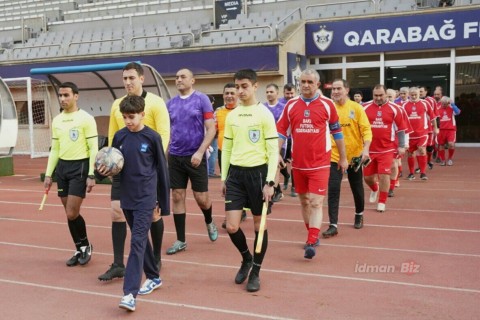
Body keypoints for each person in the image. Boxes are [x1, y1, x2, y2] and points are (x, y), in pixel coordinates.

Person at [98, 62, 170, 281]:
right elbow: (113, 138)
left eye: (131, 78)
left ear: (142, 78)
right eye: (124, 78)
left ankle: (155, 257)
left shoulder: (156, 103)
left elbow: (163, 136)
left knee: (153, 215)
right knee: (116, 212)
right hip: (122, 172)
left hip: (147, 172)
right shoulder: (117, 105)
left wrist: (151, 167)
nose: (128, 82)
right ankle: (119, 263)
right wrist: (111, 165)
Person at [276, 69, 348, 259]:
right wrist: (276, 153)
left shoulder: (327, 104)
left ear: (317, 84)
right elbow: (281, 132)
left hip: (321, 163)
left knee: (316, 202)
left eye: (309, 81)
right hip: (298, 163)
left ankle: (311, 239)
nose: (306, 85)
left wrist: (343, 157)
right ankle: (312, 233)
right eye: (303, 81)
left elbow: (337, 132)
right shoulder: (291, 105)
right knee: (304, 201)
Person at [222, 69, 278, 292]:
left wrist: (270, 182)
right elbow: (226, 148)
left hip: (259, 175)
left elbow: (273, 150)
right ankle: (246, 258)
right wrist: (225, 177)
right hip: (236, 175)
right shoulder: (232, 115)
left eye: (244, 86)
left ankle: (256, 269)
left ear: (255, 86)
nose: (240, 91)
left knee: (259, 226)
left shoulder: (264, 114)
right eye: (237, 86)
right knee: (233, 226)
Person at [43, 82, 98, 267]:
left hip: (80, 167)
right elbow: (55, 149)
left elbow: (93, 148)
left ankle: (86, 246)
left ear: (76, 96)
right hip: (62, 169)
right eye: (60, 95)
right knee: (69, 214)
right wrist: (49, 174)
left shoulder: (86, 119)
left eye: (66, 95)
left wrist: (92, 174)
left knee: (72, 211)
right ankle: (79, 248)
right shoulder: (57, 120)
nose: (62, 99)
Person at [166, 68, 217, 255]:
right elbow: (167, 132)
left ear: (192, 80)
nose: (178, 79)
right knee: (177, 196)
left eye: (182, 77)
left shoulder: (201, 99)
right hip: (175, 156)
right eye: (176, 77)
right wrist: (165, 156)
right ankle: (181, 240)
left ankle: (209, 220)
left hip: (196, 156)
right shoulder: (169, 104)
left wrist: (200, 152)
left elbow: (211, 129)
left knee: (201, 198)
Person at [322, 79, 371, 238]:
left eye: (339, 88)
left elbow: (366, 130)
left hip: (354, 156)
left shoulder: (356, 108)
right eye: (333, 89)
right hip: (334, 156)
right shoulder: (329, 108)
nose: (335, 92)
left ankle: (359, 213)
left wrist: (366, 149)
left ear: (347, 89)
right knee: (333, 189)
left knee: (356, 187)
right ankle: (333, 224)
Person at [363, 85, 407, 212]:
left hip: (387, 149)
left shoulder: (395, 109)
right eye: (375, 96)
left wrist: (402, 146)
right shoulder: (364, 107)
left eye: (380, 95)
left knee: (384, 175)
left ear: (386, 95)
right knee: (367, 178)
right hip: (369, 150)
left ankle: (382, 201)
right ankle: (375, 189)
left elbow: (401, 129)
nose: (378, 98)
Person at [214, 83, 247, 229]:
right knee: (227, 184)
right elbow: (212, 131)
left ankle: (242, 210)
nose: (229, 96)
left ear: (237, 95)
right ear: (223, 95)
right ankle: (232, 213)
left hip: (241, 153)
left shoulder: (243, 111)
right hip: (223, 153)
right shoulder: (218, 112)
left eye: (232, 93)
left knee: (242, 184)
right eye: (226, 93)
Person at [403, 87, 437, 181]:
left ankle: (423, 173)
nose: (413, 96)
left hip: (422, 133)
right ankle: (411, 173)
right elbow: (401, 119)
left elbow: (432, 116)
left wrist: (435, 128)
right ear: (409, 94)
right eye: (412, 95)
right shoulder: (404, 105)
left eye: (416, 95)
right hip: (409, 135)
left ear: (419, 94)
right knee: (410, 154)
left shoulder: (425, 103)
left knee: (422, 150)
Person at [264, 83, 287, 203]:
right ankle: (276, 189)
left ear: (277, 93)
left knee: (276, 167)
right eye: (267, 92)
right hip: (264, 143)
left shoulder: (283, 107)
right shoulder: (262, 107)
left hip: (279, 142)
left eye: (271, 92)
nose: (269, 94)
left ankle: (273, 192)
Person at [280, 83, 297, 196]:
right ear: (283, 93)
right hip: (283, 139)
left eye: (292, 93)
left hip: (295, 138)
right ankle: (286, 176)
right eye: (287, 93)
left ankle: (294, 187)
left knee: (295, 163)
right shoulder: (280, 104)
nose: (290, 95)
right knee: (280, 163)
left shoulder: (298, 103)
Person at [437, 96, 461, 166]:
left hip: (451, 129)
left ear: (448, 103)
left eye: (446, 103)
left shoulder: (451, 108)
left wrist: (453, 104)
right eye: (443, 103)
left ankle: (450, 159)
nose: (444, 105)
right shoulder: (438, 109)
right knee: (441, 145)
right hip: (441, 130)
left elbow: (458, 112)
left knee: (451, 144)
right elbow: (433, 118)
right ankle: (443, 160)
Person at [207, 95, 219, 178]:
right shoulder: (212, 112)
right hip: (213, 134)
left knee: (207, 152)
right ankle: (210, 171)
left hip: (205, 134)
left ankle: (208, 171)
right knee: (213, 152)